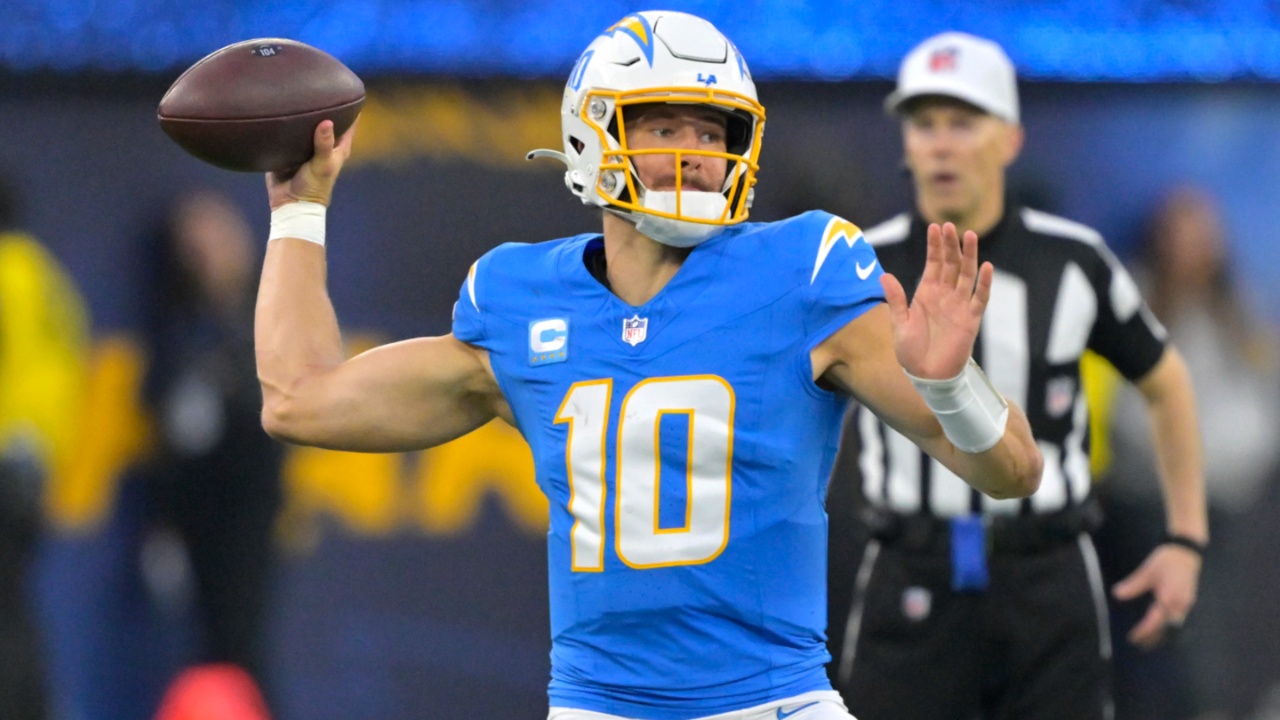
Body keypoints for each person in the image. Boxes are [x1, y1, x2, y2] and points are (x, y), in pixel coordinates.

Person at [254, 12, 1042, 719]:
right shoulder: (522, 299)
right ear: (590, 135)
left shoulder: (802, 274)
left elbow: (1012, 472)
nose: (695, 156)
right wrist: (298, 209)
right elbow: (299, 398)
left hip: (773, 703)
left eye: (712, 133)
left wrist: (950, 386)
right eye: (664, 127)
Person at [828, 32, 1208, 720]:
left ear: (1009, 138)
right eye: (924, 123)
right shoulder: (858, 265)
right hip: (910, 566)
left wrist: (1185, 539)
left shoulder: (1075, 260)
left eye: (963, 121)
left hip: (1046, 571)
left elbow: (1166, 380)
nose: (941, 144)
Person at [1096, 186, 1280, 719]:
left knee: (1223, 612)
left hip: (1232, 497)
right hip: (1148, 499)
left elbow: (1264, 397)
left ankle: (1219, 706)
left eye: (1203, 236)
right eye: (1181, 235)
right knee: (1173, 620)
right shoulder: (1130, 301)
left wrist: (1232, 463)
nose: (1192, 249)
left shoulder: (1237, 309)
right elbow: (1121, 410)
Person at [140, 190, 284, 701]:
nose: (208, 251)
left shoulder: (265, 310)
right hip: (194, 508)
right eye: (194, 241)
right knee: (207, 650)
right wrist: (165, 525)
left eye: (216, 235)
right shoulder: (178, 325)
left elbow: (272, 406)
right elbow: (168, 432)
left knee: (236, 645)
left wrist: (225, 394)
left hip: (245, 508)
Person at [0, 172, 90, 720]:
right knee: (13, 607)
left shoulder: (5, 276)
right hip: (36, 466)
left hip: (4, 459)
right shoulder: (43, 274)